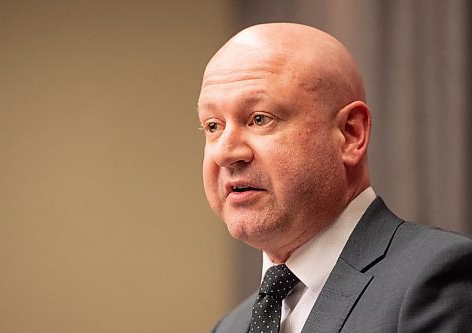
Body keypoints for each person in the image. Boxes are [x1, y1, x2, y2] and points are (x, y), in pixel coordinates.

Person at [197, 23, 472, 333]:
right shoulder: (230, 327)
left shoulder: (436, 279)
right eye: (212, 126)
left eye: (260, 119)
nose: (226, 153)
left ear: (350, 134)